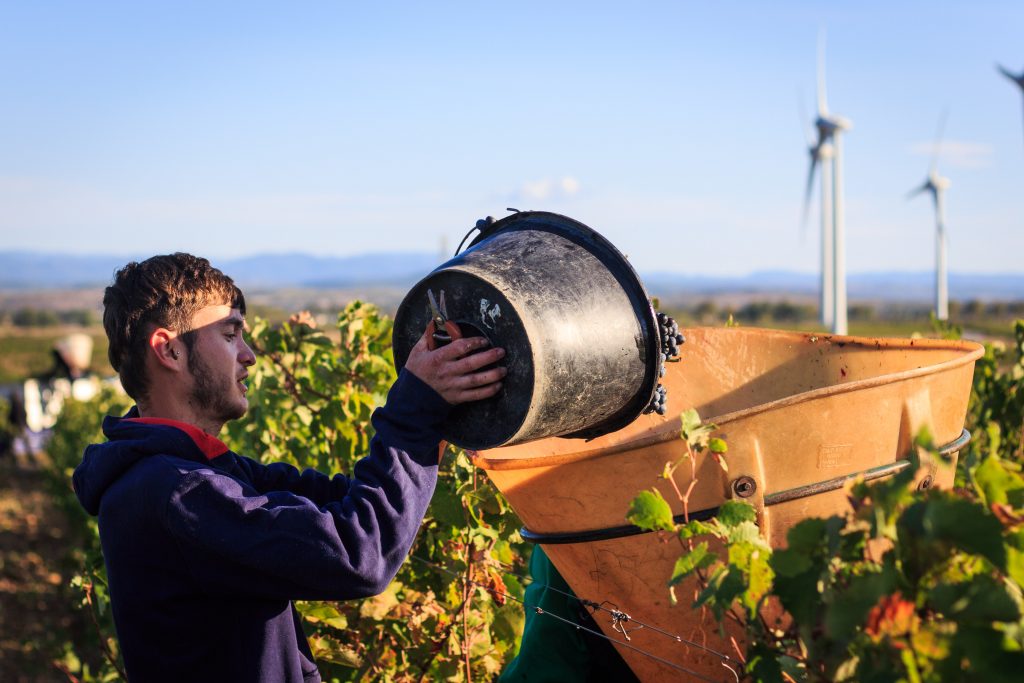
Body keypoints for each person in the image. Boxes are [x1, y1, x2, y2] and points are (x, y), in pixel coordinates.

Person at [72, 253, 506, 682]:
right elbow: (359, 553)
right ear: (168, 350)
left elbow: (342, 499)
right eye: (229, 335)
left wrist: (433, 410)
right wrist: (414, 414)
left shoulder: (188, 472)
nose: (249, 356)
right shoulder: (179, 494)